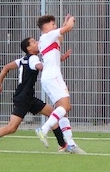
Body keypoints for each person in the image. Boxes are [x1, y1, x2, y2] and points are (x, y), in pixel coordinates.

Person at [0, 37, 70, 152]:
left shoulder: (23, 60)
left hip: (27, 97)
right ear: (29, 48)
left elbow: (6, 67)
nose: (37, 43)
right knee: (11, 128)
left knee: (52, 114)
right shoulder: (33, 58)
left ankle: (63, 145)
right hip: (24, 99)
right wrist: (51, 67)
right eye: (34, 42)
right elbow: (40, 66)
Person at [33, 14, 87, 154]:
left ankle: (70, 144)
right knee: (65, 106)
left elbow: (60, 36)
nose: (55, 26)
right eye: (53, 24)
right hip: (53, 77)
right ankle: (43, 129)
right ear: (46, 26)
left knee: (63, 110)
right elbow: (68, 28)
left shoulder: (47, 38)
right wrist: (71, 20)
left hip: (50, 77)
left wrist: (64, 25)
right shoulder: (47, 36)